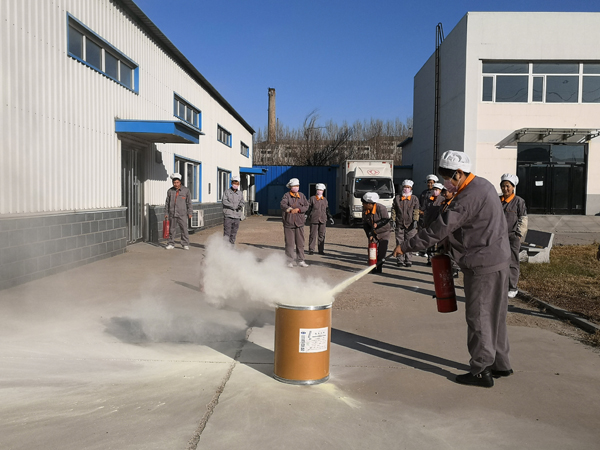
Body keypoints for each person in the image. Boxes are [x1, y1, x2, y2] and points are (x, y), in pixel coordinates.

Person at [392, 150, 512, 388]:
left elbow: (440, 228)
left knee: (479, 316)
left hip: (482, 264)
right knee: (495, 315)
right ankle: (500, 363)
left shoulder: (467, 196)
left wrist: (406, 246)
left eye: (448, 178)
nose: (446, 183)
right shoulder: (484, 185)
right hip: (498, 259)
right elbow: (470, 225)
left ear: (459, 173)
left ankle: (481, 370)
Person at [500, 174, 528, 298]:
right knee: (499, 262)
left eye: (508, 186)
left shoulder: (519, 201)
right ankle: (501, 285)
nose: (505, 189)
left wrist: (518, 234)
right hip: (499, 237)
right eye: (503, 186)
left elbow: (523, 219)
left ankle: (513, 287)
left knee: (512, 261)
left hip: (512, 236)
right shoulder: (498, 200)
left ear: (513, 187)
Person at [280, 178, 310, 268]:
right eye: (294, 186)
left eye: (297, 186)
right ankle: (289, 261)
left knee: (300, 243)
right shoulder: (286, 195)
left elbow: (307, 206)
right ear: (290, 187)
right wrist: (290, 209)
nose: (296, 187)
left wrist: (299, 209)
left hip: (300, 222)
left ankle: (300, 260)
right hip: (289, 223)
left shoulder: (302, 195)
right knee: (289, 243)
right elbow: (283, 204)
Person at [392, 180, 420, 267]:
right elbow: (394, 210)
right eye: (405, 187)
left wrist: (415, 220)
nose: (406, 189)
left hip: (410, 225)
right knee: (399, 241)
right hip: (399, 224)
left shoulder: (414, 199)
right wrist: (393, 220)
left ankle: (408, 260)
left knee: (409, 242)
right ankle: (400, 260)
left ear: (411, 188)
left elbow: (416, 211)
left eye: (408, 187)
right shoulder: (397, 198)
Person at [362, 192, 391, 274]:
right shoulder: (365, 210)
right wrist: (369, 235)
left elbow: (386, 219)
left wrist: (377, 224)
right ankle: (372, 267)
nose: (363, 205)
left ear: (369, 204)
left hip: (384, 232)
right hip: (373, 232)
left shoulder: (381, 208)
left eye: (364, 203)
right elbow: (365, 224)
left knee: (382, 251)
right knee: (372, 251)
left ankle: (380, 266)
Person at [164, 173, 193, 250]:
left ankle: (185, 244)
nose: (176, 184)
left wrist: (190, 212)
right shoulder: (170, 191)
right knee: (171, 230)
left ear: (180, 182)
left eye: (177, 182)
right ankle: (171, 243)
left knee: (184, 229)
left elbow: (189, 202)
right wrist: (166, 213)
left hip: (182, 214)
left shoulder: (186, 190)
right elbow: (167, 203)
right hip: (172, 213)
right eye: (174, 183)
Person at [306, 183, 334, 255]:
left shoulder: (325, 200)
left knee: (322, 235)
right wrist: (306, 215)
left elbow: (327, 210)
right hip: (314, 219)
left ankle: (321, 250)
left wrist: (330, 217)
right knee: (313, 235)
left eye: (321, 190)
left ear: (323, 191)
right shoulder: (312, 199)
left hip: (323, 219)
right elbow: (309, 208)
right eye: (318, 190)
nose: (319, 191)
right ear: (316, 190)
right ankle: (311, 249)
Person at [422, 182, 445, 266]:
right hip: (429, 223)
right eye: (434, 189)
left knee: (439, 243)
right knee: (430, 242)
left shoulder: (442, 200)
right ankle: (430, 259)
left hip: (438, 224)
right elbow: (425, 211)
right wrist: (424, 222)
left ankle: (439, 260)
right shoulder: (429, 199)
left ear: (440, 191)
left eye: (437, 189)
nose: (435, 191)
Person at [222, 175, 245, 245]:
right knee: (227, 232)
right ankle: (225, 246)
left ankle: (231, 246)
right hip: (228, 215)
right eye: (234, 183)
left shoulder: (240, 193)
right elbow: (224, 201)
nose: (236, 185)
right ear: (232, 183)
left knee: (234, 232)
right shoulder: (227, 192)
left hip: (237, 215)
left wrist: (240, 206)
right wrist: (233, 206)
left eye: (237, 183)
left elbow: (242, 201)